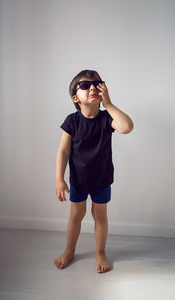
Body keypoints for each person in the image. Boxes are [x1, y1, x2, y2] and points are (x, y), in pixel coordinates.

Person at [54, 69, 134, 273]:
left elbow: (126, 127)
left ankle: (100, 253)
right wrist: (59, 179)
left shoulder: (107, 119)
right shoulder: (72, 121)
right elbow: (63, 151)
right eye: (85, 85)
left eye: (97, 84)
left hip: (102, 179)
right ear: (75, 97)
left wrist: (108, 103)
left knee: (100, 216)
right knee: (75, 215)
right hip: (78, 180)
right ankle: (69, 250)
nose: (92, 88)